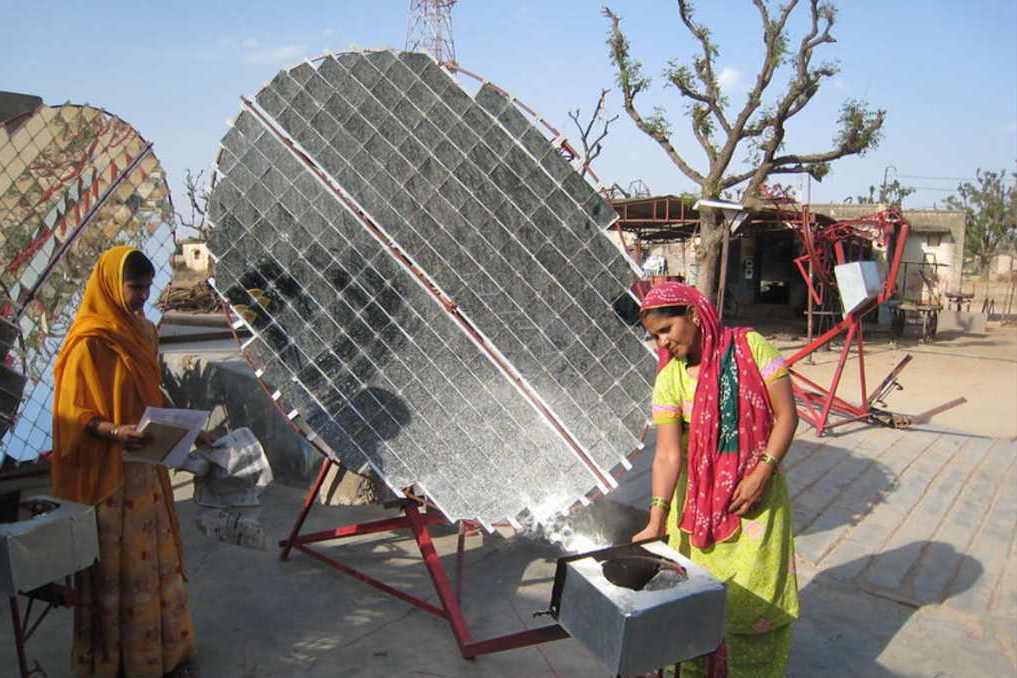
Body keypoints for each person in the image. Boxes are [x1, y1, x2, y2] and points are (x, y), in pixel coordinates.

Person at [633, 281, 799, 678]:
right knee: (691, 610)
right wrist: (657, 519)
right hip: (695, 510)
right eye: (654, 337)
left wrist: (763, 471)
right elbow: (668, 453)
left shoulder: (750, 346)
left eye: (666, 331)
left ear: (691, 314)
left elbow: (786, 417)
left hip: (755, 506)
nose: (661, 344)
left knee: (755, 607)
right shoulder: (670, 378)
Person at [50, 246, 199, 678]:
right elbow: (72, 415)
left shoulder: (144, 332)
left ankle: (165, 655)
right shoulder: (89, 341)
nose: (143, 296)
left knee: (156, 563)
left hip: (146, 471)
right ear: (113, 284)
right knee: (121, 572)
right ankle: (119, 664)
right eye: (136, 287)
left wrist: (190, 426)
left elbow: (152, 395)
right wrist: (116, 432)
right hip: (109, 479)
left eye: (148, 288)